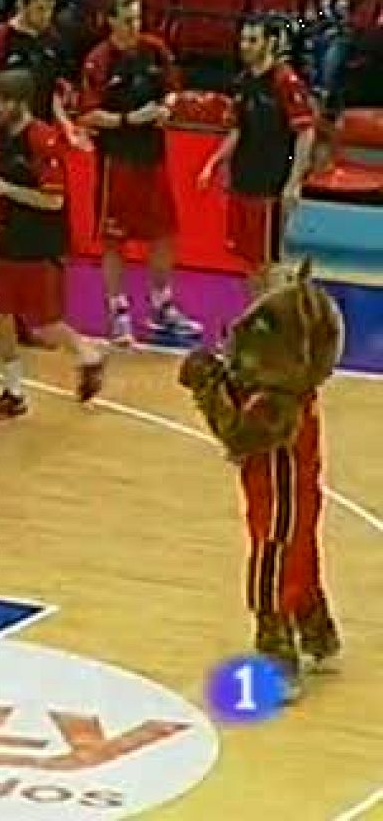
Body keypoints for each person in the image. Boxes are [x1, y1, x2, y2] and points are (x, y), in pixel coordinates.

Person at [178, 261, 342, 702]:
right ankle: (317, 631)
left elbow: (239, 436)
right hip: (290, 494)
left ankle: (277, 650)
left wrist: (206, 387)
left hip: (279, 494)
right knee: (300, 553)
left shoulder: (275, 401)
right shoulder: (292, 389)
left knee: (273, 558)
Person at [0, 0, 82, 365]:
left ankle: (14, 318)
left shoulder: (50, 43)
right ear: (23, 4)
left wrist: (66, 129)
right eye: (39, 8)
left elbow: (49, 99)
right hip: (3, 143)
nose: (46, 16)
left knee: (23, 230)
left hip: (33, 141)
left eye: (50, 9)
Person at [0, 70, 107, 422]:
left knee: (44, 323)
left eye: (1, 102)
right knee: (0, 314)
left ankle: (88, 353)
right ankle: (13, 392)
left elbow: (54, 201)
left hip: (38, 243)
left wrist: (8, 191)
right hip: (9, 238)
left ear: (18, 103)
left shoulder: (42, 140)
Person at [79, 0, 201, 347]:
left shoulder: (155, 50)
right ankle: (118, 311)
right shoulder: (98, 61)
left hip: (154, 158)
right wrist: (132, 118)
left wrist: (167, 106)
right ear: (111, 21)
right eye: (129, 20)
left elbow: (174, 90)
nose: (136, 27)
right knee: (114, 241)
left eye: (138, 19)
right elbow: (88, 115)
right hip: (117, 162)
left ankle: (162, 306)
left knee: (164, 233)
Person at [198, 17, 318, 279]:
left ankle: (278, 317)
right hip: (244, 182)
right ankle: (261, 315)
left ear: (270, 43)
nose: (245, 46)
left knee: (270, 262)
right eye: (242, 40)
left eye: (253, 40)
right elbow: (237, 130)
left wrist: (293, 182)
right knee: (251, 263)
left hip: (271, 185)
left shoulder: (285, 81)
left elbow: (306, 132)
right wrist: (214, 163)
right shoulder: (243, 82)